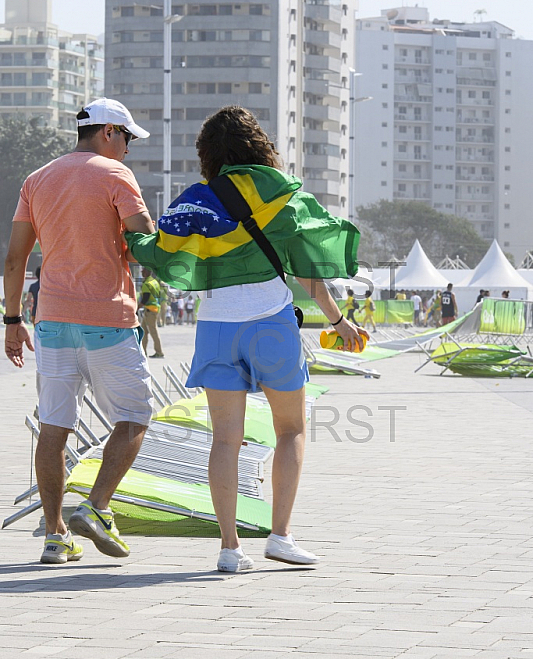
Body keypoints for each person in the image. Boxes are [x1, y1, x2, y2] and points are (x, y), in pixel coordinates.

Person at [126, 106, 368, 573]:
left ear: (208, 153)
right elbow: (307, 267)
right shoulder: (280, 192)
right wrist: (338, 322)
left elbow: (157, 249)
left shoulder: (197, 199)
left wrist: (130, 234)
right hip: (271, 322)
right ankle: (280, 537)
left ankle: (230, 548)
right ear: (258, 144)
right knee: (291, 430)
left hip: (216, 326)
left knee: (225, 440)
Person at [3, 97, 154, 564]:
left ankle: (54, 535)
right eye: (127, 138)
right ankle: (98, 507)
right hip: (107, 319)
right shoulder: (115, 175)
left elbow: (15, 259)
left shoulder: (37, 179)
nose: (129, 149)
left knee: (54, 428)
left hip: (50, 321)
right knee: (134, 417)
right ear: (108, 132)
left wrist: (12, 321)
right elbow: (143, 237)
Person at [139, 267, 164, 358]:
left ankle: (159, 352)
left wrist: (137, 307)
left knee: (153, 331)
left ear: (147, 272)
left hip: (150, 311)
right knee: (143, 331)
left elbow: (145, 298)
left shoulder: (147, 283)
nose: (142, 272)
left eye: (143, 271)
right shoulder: (154, 282)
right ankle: (143, 352)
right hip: (153, 309)